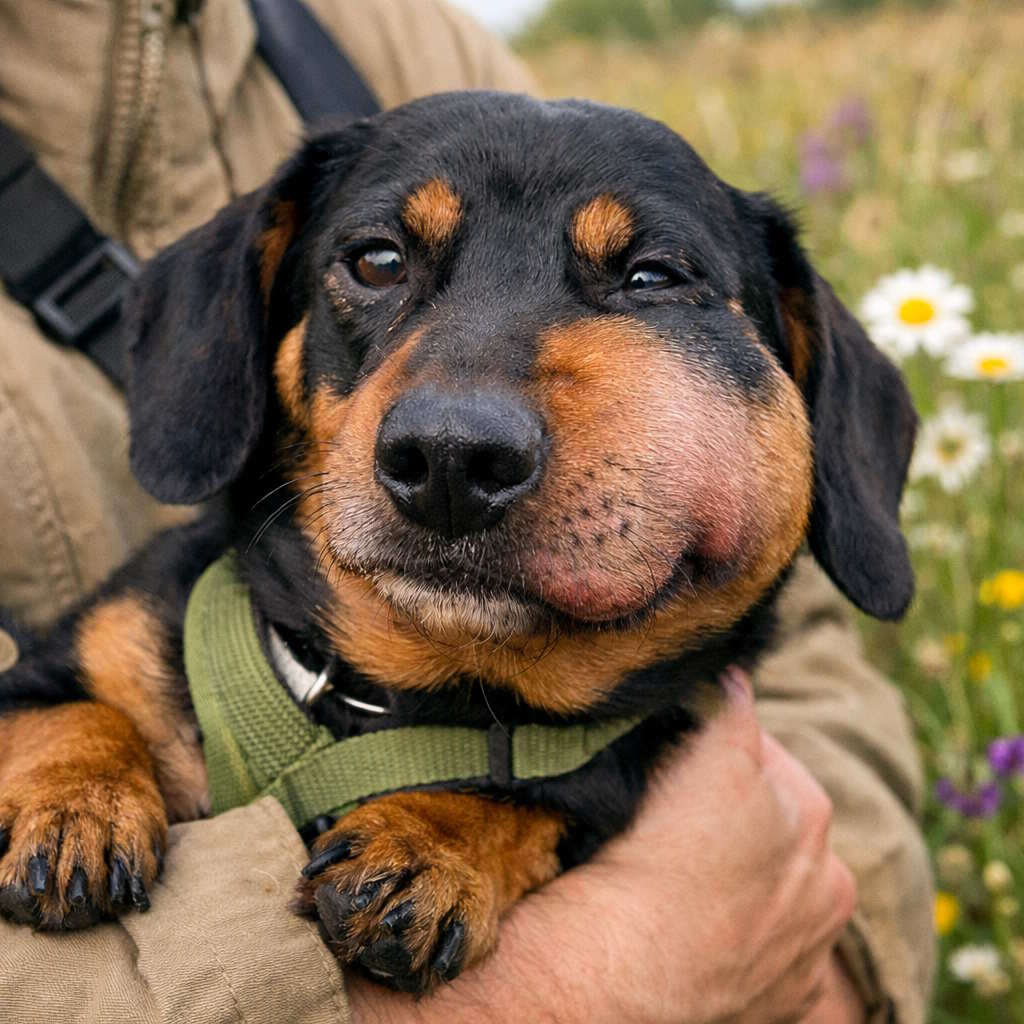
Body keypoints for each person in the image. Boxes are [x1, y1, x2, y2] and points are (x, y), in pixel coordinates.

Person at [0, 1, 934, 1021]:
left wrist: (816, 955)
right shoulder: (154, 642)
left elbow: (812, 681)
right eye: (381, 264)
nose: (450, 434)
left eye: (652, 275)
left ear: (803, 381)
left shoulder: (374, 35)